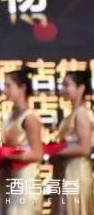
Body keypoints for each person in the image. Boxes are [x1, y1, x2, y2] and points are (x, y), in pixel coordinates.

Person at [0, 68, 43, 215]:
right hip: (7, 178)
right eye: (4, 86)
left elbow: (37, 154)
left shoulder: (30, 118)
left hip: (24, 181)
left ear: (22, 88)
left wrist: (9, 155)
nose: (5, 90)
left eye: (9, 86)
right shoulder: (9, 116)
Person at [50, 70, 94, 215]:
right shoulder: (72, 114)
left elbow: (85, 148)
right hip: (66, 172)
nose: (63, 89)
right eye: (62, 85)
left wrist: (56, 151)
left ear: (81, 88)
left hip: (77, 173)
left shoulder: (81, 113)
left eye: (67, 85)